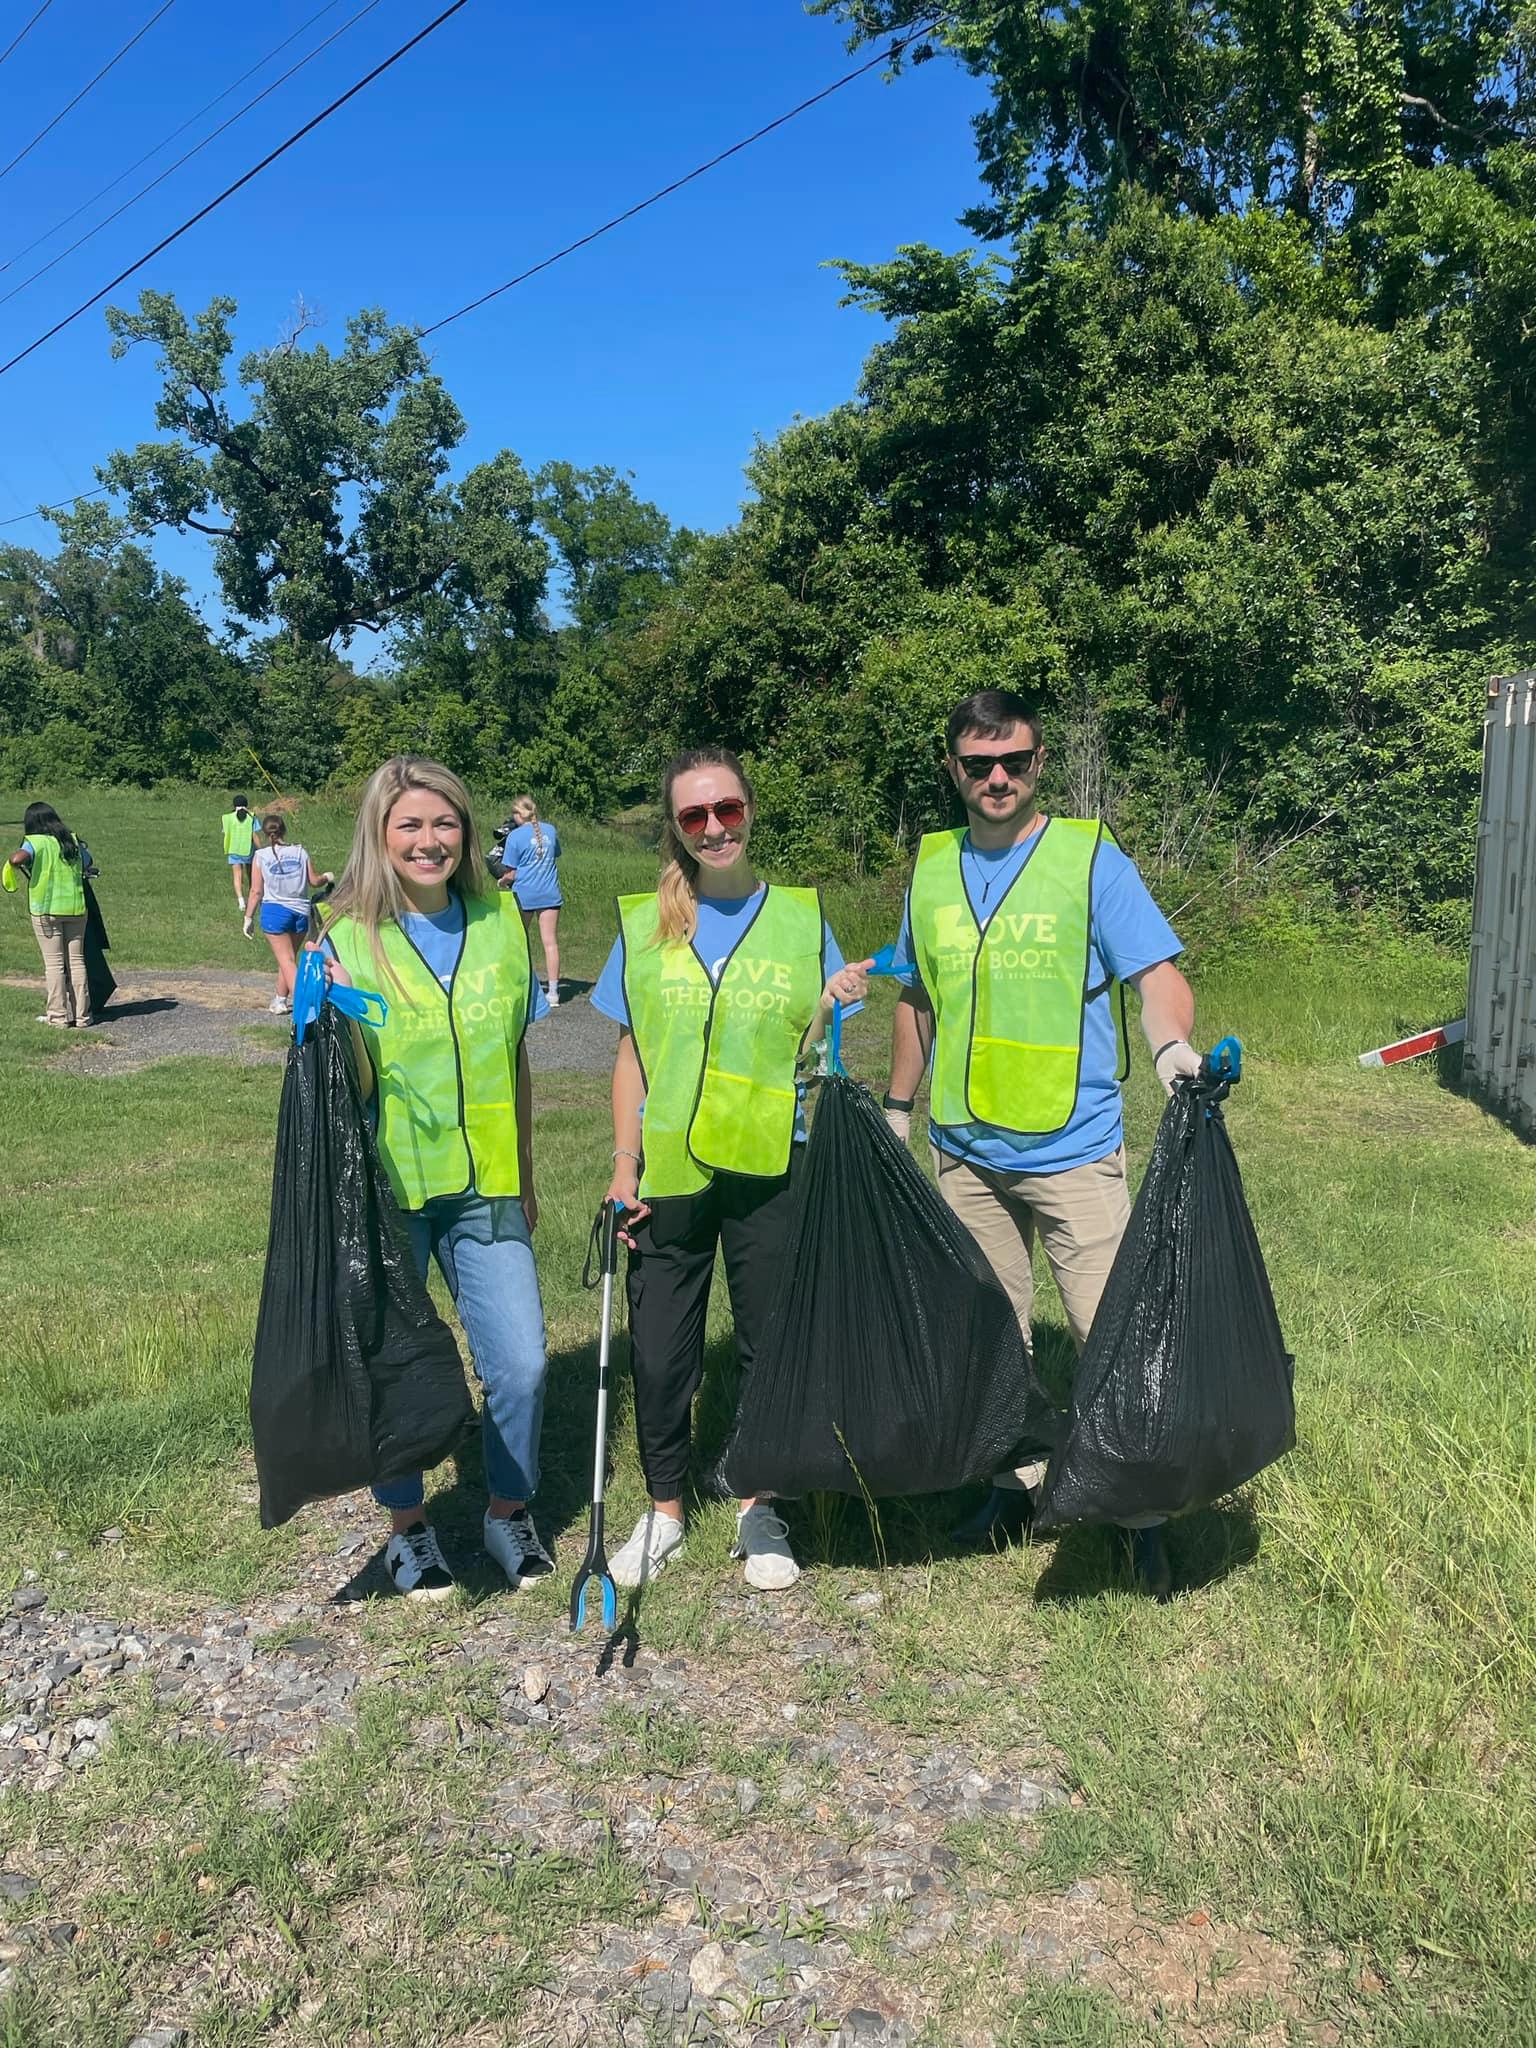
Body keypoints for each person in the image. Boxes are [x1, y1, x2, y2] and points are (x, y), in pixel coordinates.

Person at [884, 689, 1201, 1598]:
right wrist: (898, 1108)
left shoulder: (1088, 857)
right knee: (991, 1338)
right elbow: (917, 997)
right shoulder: (931, 866)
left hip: (1074, 1149)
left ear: (1038, 763)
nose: (998, 778)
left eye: (1014, 761)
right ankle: (1013, 1487)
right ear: (952, 768)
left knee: (1111, 1335)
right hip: (964, 1150)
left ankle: (1140, 1516)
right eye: (979, 763)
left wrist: (1171, 1048)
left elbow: (1156, 976)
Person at [592, 745, 870, 1592]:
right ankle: (665, 1508)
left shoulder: (800, 918)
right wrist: (624, 1164)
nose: (715, 828)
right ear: (676, 828)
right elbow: (633, 1053)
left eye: (728, 810)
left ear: (750, 811)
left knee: (768, 1342)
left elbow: (808, 1054)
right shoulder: (645, 922)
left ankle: (760, 1504)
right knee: (660, 1353)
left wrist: (830, 1006)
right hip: (669, 1170)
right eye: (695, 815)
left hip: (768, 1161)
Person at [320, 755, 553, 1601]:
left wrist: (526, 1171)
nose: (429, 841)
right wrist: (329, 1008)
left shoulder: (501, 923)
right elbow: (341, 1086)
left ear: (466, 829)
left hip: (486, 1183)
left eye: (445, 822)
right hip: (389, 1193)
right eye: (410, 825)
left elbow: (515, 1056)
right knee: (390, 1363)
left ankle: (506, 1510)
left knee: (522, 1365)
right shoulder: (346, 939)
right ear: (380, 835)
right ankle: (407, 1528)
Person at [5, 802, 97, 1028]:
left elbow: (17, 859)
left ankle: (57, 1017)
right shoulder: (71, 840)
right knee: (77, 962)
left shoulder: (35, 842)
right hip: (75, 908)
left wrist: (12, 862)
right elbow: (88, 861)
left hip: (46, 910)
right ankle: (83, 1016)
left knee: (54, 964)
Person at [245, 814, 332, 1015]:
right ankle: (280, 1000)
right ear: (284, 830)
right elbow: (314, 881)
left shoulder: (261, 856)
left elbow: (256, 891)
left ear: (265, 833)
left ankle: (304, 1004)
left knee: (286, 960)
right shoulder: (300, 852)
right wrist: (326, 877)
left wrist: (248, 917)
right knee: (288, 959)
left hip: (275, 912)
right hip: (300, 912)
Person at [495, 795, 563, 1006]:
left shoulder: (515, 837)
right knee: (550, 942)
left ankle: (518, 983)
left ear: (518, 814)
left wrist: (502, 881)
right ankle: (553, 992)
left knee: (518, 940)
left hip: (524, 894)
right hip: (549, 892)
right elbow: (554, 855)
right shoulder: (550, 830)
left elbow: (512, 872)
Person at [221, 796, 263, 915]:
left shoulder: (228, 818)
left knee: (237, 876)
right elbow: (254, 835)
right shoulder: (251, 817)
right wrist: (261, 849)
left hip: (233, 849)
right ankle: (252, 897)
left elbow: (226, 832)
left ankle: (241, 901)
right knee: (251, 875)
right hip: (248, 850)